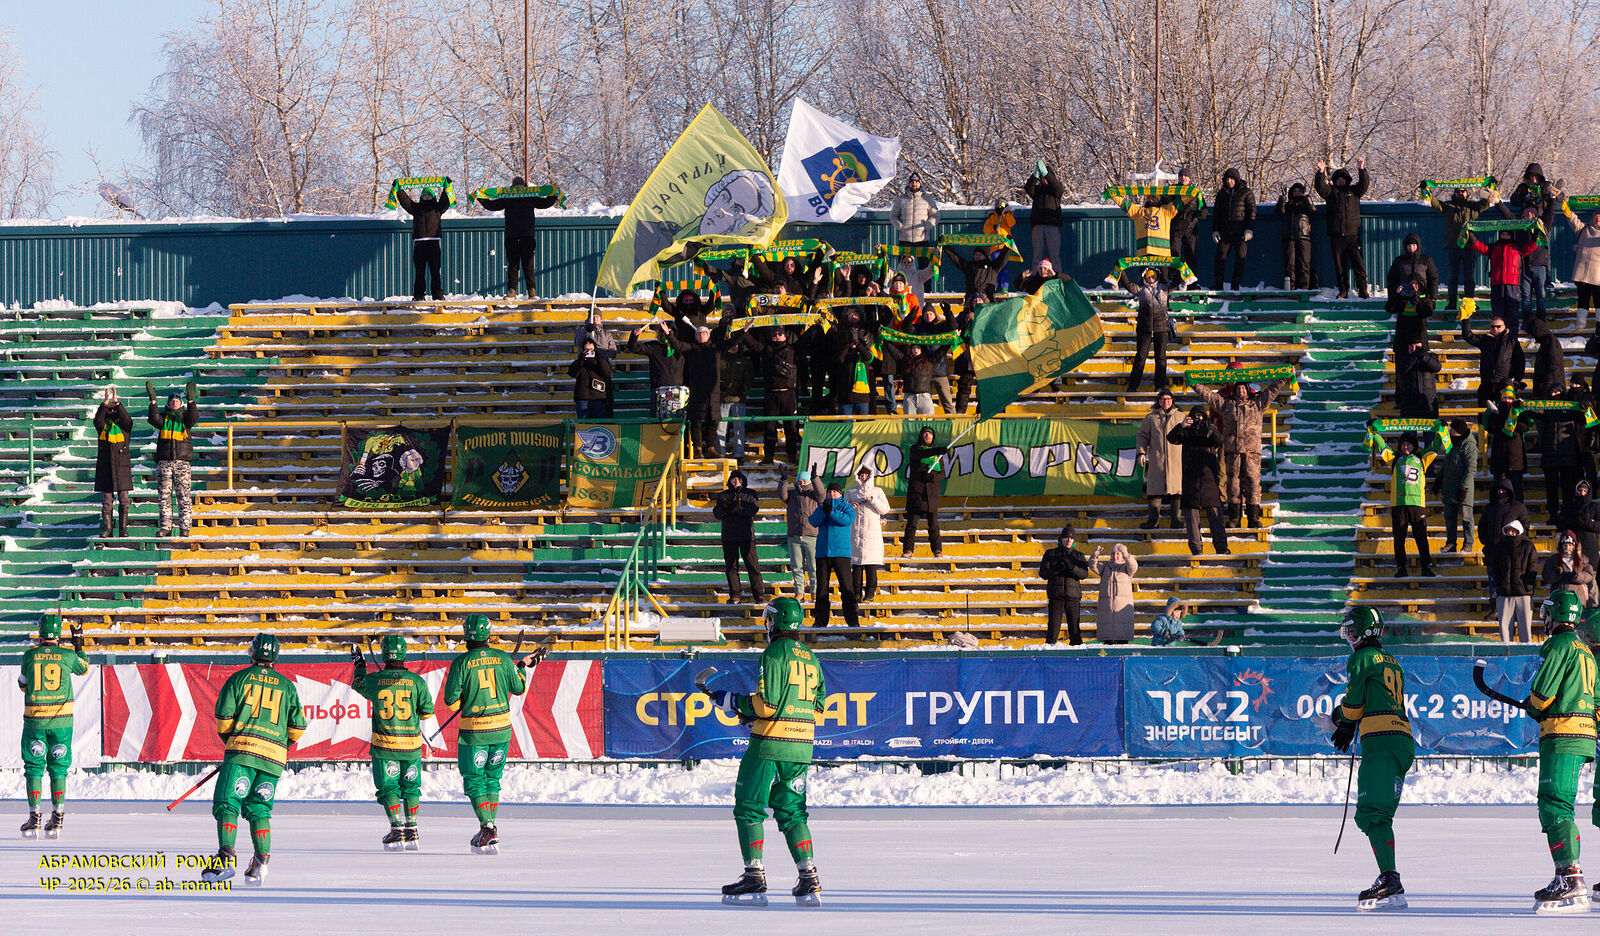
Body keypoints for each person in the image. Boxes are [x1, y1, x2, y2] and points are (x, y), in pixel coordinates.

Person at [710, 597, 826, 907]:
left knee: (749, 808)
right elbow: (817, 709)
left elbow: (768, 705)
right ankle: (809, 878)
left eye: (769, 619)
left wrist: (735, 702)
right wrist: (761, 716)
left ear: (775, 621)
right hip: (801, 748)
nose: (767, 624)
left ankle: (754, 876)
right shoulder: (811, 658)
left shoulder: (773, 653)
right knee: (793, 813)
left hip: (768, 747)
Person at [200, 632, 306, 886]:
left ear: (252, 652)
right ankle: (261, 863)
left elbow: (223, 719)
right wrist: (279, 746)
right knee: (259, 808)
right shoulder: (287, 686)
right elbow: (298, 728)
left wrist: (233, 743)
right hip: (274, 758)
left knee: (227, 803)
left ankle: (225, 860)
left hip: (242, 752)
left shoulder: (239, 678)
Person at [1329, 605, 1415, 911]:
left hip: (1380, 740)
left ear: (1364, 632)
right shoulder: (1391, 660)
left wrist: (1339, 719)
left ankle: (1390, 880)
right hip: (1400, 740)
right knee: (1379, 815)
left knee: (1371, 814)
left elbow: (1354, 705)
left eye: (1353, 631)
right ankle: (1390, 879)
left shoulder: (1362, 657)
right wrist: (1348, 723)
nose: (1349, 637)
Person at [1523, 590, 1597, 912]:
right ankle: (1568, 875)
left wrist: (1533, 705)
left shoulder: (1557, 645)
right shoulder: (1586, 651)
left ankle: (1570, 877)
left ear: (1554, 615)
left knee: (1555, 804)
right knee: (1562, 803)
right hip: (1584, 735)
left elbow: (1542, 694)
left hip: (1562, 734)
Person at [441, 614, 529, 855]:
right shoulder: (502, 658)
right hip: (501, 729)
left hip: (474, 732)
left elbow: (451, 702)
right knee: (492, 778)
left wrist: (464, 698)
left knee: (474, 779)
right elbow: (519, 688)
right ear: (488, 633)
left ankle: (488, 828)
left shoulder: (461, 663)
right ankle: (489, 828)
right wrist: (521, 667)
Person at [352, 635, 436, 851]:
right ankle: (412, 830)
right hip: (411, 746)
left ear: (383, 654)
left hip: (385, 746)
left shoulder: (376, 680)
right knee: (411, 787)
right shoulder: (417, 681)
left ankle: (397, 829)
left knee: (388, 787)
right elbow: (427, 712)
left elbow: (358, 684)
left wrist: (359, 665)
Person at [1193, 364, 1290, 528]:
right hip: (1233, 451)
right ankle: (1234, 518)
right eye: (1238, 388)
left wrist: (1286, 377)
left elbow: (1273, 390)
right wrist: (1193, 383)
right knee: (1233, 485)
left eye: (1243, 388)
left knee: (1253, 483)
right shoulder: (1226, 405)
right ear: (1234, 390)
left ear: (1247, 389)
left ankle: (1253, 518)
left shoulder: (1258, 403)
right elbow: (1208, 395)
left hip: (1252, 452)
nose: (1241, 391)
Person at [17, 614, 88, 840]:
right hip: (61, 722)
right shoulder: (67, 656)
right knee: (58, 768)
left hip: (35, 721)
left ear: (40, 631)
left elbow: (22, 685)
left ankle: (34, 818)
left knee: (34, 767)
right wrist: (78, 645)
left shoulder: (29, 656)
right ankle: (57, 818)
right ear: (58, 634)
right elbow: (84, 668)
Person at [1364, 429, 1443, 578]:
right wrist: (1374, 432)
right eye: (1402, 444)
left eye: (1408, 444)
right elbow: (1383, 447)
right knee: (1399, 538)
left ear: (1414, 446)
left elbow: (1434, 448)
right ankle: (1401, 567)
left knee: (1421, 537)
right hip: (1398, 504)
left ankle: (1426, 567)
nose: (1405, 447)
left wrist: (1441, 431)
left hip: (1417, 504)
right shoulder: (1395, 459)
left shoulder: (1421, 459)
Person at [475, 176, 560, 298]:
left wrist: (554, 194)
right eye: (517, 186)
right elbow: (492, 205)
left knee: (527, 265)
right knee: (514, 266)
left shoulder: (525, 196)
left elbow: (544, 203)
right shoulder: (513, 197)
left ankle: (530, 291)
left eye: (520, 186)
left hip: (523, 236)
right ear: (514, 187)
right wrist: (480, 196)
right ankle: (514, 291)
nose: (518, 188)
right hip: (515, 237)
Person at [1167, 405, 1229, 555]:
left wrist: (1210, 428)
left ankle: (1221, 548)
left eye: (1200, 417)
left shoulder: (1209, 432)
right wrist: (1181, 426)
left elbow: (1220, 440)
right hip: (1190, 481)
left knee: (1216, 518)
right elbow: (1171, 438)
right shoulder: (1186, 432)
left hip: (1209, 480)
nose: (1197, 419)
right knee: (1192, 520)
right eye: (1195, 416)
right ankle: (1196, 550)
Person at [1508, 164, 1559, 328]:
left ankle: (1547, 278)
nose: (1533, 179)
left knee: (1543, 250)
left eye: (1536, 176)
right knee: (1525, 293)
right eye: (1531, 176)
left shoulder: (1545, 186)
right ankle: (1528, 320)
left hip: (1541, 222)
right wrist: (1526, 196)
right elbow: (1513, 200)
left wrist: (1548, 195)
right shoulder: (1523, 187)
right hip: (1525, 226)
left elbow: (1555, 202)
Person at [146, 379, 198, 538]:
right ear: (168, 404)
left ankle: (185, 527)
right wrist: (153, 401)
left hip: (182, 462)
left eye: (177, 400)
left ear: (181, 403)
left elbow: (193, 417)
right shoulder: (163, 419)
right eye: (172, 401)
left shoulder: (185, 418)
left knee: (184, 496)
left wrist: (191, 400)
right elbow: (154, 418)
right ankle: (165, 527)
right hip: (164, 462)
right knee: (164, 497)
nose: (175, 403)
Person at [743, 324, 802, 464]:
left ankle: (792, 455)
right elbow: (752, 343)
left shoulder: (792, 350)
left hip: (788, 394)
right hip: (771, 394)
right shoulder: (766, 350)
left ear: (785, 336)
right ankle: (768, 456)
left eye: (780, 334)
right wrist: (744, 331)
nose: (777, 337)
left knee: (791, 428)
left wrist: (815, 324)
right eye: (774, 335)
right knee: (769, 427)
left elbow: (806, 339)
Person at [1313, 158, 1371, 298]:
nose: (1340, 181)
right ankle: (1343, 290)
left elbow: (1364, 184)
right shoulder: (1331, 193)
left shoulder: (1354, 191)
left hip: (1353, 236)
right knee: (1340, 267)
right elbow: (1320, 188)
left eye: (1343, 179)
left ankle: (1363, 290)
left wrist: (1361, 169)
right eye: (1338, 179)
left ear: (1347, 180)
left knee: (1358, 265)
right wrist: (1321, 172)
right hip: (1336, 237)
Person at [1430, 186, 1496, 309]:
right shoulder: (1448, 206)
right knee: (1452, 277)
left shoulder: (1473, 206)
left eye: (1463, 191)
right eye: (1458, 191)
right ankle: (1452, 303)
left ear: (1467, 193)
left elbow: (1488, 201)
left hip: (1470, 245)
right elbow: (1435, 204)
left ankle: (1469, 303)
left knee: (1469, 277)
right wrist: (1427, 190)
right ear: (1454, 193)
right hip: (1453, 246)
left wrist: (1491, 187)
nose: (1460, 193)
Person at [1465, 229, 1538, 338]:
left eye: (1507, 234)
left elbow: (1533, 245)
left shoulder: (1518, 247)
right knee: (1498, 315)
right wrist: (1470, 234)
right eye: (1503, 234)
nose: (1505, 235)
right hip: (1497, 285)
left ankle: (1512, 340)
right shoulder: (1493, 247)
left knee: (1513, 315)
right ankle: (1498, 339)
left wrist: (1538, 231)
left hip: (1513, 285)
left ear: (1511, 235)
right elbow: (1478, 246)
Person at [808, 483, 860, 629]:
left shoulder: (847, 507)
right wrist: (823, 511)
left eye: (835, 492)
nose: (832, 494)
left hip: (841, 553)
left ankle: (853, 621)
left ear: (840, 494)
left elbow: (847, 520)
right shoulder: (822, 507)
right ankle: (820, 621)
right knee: (821, 588)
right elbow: (813, 521)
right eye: (830, 492)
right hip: (822, 553)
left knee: (846, 587)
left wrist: (831, 512)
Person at [713, 470, 765, 604]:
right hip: (729, 536)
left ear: (743, 481)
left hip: (746, 536)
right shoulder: (723, 495)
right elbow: (717, 513)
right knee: (731, 567)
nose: (736, 481)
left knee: (752, 566)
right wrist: (726, 508)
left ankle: (759, 595)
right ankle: (735, 596)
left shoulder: (750, 493)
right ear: (729, 481)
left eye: (739, 479)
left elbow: (754, 509)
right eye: (733, 479)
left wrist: (739, 508)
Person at [1137, 388, 1185, 529]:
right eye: (1162, 399)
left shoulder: (1181, 416)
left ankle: (1176, 519)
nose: (1165, 402)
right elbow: (1142, 436)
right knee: (1154, 490)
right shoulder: (1151, 418)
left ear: (1172, 401)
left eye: (1168, 399)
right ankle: (1153, 521)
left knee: (1176, 490)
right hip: (1157, 460)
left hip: (1176, 460)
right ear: (1158, 401)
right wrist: (1141, 452)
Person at [1039, 525, 1093, 645]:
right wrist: (1056, 569)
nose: (1069, 540)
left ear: (1074, 541)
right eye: (1066, 538)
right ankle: (1049, 652)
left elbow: (1084, 574)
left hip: (1073, 597)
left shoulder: (1078, 556)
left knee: (1075, 631)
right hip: (1056, 596)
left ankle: (1077, 653)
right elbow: (1043, 573)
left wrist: (1072, 567)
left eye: (1071, 538)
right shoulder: (1050, 554)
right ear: (1061, 539)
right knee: (1053, 630)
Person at [396, 185, 451, 301]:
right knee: (419, 272)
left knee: (435, 271)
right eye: (425, 195)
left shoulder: (438, 208)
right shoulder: (416, 208)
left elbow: (445, 201)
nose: (427, 197)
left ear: (433, 197)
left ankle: (437, 295)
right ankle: (418, 295)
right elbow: (406, 202)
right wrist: (399, 189)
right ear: (421, 197)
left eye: (429, 195)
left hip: (433, 244)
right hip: (419, 245)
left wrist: (447, 187)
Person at [1386, 233, 1439, 349]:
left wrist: (1433, 298)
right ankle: (1401, 351)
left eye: (1414, 245)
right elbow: (1392, 280)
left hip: (1421, 301)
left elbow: (1433, 279)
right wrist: (1394, 296)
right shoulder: (1399, 261)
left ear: (1418, 246)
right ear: (1405, 246)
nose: (1411, 248)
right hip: (1403, 300)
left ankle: (1422, 350)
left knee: (1421, 329)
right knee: (1402, 330)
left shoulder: (1426, 260)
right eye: (1409, 245)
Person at [1488, 519, 1537, 642]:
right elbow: (1494, 568)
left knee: (1525, 627)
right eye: (1508, 530)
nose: (1510, 533)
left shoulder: (1528, 546)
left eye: (1513, 531)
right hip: (1505, 593)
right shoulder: (1499, 547)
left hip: (1523, 593)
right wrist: (1499, 585)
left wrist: (1527, 586)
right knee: (1504, 626)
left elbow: (1533, 566)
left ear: (1519, 531)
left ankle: (1526, 650)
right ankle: (1506, 650)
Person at [847, 465, 889, 607]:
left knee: (871, 568)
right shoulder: (851, 492)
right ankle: (856, 594)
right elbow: (843, 508)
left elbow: (885, 509)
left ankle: (870, 594)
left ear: (870, 476)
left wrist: (872, 499)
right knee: (856, 569)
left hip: (872, 536)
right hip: (856, 535)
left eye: (865, 475)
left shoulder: (877, 491)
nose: (863, 477)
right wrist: (850, 506)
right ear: (857, 476)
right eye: (861, 475)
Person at [93, 387, 133, 538]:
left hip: (122, 468)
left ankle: (123, 529)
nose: (111, 411)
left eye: (113, 409)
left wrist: (117, 402)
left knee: (124, 499)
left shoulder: (124, 427)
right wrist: (105, 403)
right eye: (108, 409)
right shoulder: (102, 427)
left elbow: (127, 419)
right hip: (106, 467)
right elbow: (97, 420)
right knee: (107, 500)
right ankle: (108, 530)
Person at [625, 323, 687, 420]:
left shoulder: (681, 348)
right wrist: (634, 335)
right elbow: (633, 347)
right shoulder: (654, 346)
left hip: (678, 390)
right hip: (658, 390)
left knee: (678, 421)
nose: (665, 334)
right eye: (663, 332)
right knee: (657, 420)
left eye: (669, 332)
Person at [902, 426, 947, 557]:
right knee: (912, 524)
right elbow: (920, 455)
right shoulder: (915, 449)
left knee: (933, 525)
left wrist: (932, 477)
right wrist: (938, 450)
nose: (927, 436)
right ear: (921, 436)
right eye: (925, 434)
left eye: (930, 434)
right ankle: (908, 550)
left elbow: (942, 474)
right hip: (917, 493)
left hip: (931, 494)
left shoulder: (938, 456)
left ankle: (937, 549)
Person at [1460, 314, 1522, 407]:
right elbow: (1468, 336)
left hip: (1504, 385)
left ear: (1505, 327)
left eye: (1498, 326)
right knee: (1484, 412)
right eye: (1492, 326)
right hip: (1487, 385)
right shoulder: (1485, 340)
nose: (1495, 329)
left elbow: (1520, 362)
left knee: (1504, 412)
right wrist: (1465, 320)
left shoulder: (1512, 342)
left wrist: (1517, 380)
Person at [778, 470, 823, 597]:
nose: (802, 483)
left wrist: (815, 478)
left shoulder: (814, 495)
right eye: (800, 481)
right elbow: (782, 495)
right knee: (797, 566)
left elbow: (822, 494)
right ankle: (799, 592)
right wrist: (783, 480)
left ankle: (815, 591)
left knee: (813, 566)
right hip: (794, 535)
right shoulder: (792, 495)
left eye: (804, 480)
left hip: (812, 535)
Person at [1211, 168, 1256, 291]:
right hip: (1224, 233)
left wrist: (1249, 229)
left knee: (1240, 259)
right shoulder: (1222, 193)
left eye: (1232, 179)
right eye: (1227, 179)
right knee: (1220, 258)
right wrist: (1215, 230)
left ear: (1237, 179)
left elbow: (1252, 212)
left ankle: (1235, 286)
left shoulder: (1246, 192)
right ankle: (1218, 285)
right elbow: (1216, 214)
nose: (1229, 181)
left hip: (1240, 233)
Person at [1126, 268, 1170, 392]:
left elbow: (1177, 281)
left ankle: (1160, 387)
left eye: (1153, 277)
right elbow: (1127, 284)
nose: (1151, 279)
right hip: (1144, 329)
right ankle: (1132, 386)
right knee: (1140, 357)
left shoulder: (1164, 288)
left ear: (1157, 277)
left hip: (1161, 328)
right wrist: (1121, 269)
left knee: (1161, 358)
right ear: (1144, 278)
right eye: (1148, 277)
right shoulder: (1141, 290)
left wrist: (1181, 265)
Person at [682, 326, 723, 457]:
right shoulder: (691, 349)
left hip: (713, 392)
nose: (701, 335)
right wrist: (668, 333)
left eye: (703, 333)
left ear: (708, 335)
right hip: (697, 392)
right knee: (696, 421)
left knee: (712, 421)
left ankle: (711, 448)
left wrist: (744, 330)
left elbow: (731, 342)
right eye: (698, 333)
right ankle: (697, 449)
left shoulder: (715, 348)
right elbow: (677, 345)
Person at [1439, 418, 1477, 554]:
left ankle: (1468, 544)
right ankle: (1451, 543)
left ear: (1459, 432)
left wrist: (1464, 488)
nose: (1450, 432)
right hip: (1449, 487)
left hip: (1463, 489)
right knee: (1449, 517)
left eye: (1453, 430)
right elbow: (1447, 464)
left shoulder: (1469, 446)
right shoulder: (1452, 445)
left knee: (1466, 517)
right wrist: (1439, 479)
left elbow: (1470, 470)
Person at [1561, 198, 1600, 329]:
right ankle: (1580, 323)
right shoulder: (1583, 229)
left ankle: (1599, 325)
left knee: (1599, 300)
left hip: (1598, 275)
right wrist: (1565, 204)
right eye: (1595, 216)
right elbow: (1572, 219)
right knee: (1582, 298)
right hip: (1582, 273)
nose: (1597, 219)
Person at [1485, 387, 1529, 501]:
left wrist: (1515, 415)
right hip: (1499, 457)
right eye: (1505, 398)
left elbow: (1524, 426)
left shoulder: (1519, 412)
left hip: (1516, 459)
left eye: (1510, 398)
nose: (1507, 401)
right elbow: (1490, 427)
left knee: (1517, 490)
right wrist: (1500, 416)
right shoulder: (1496, 412)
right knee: (1500, 490)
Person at [1093, 543, 1138, 643]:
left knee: (1122, 641)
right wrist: (1095, 555)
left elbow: (1134, 566)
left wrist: (1126, 554)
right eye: (1113, 554)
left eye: (1118, 554)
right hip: (1107, 609)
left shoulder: (1127, 568)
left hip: (1122, 610)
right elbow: (1093, 566)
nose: (1115, 556)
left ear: (1122, 555)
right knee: (1108, 642)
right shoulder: (1105, 567)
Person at [889, 172, 938, 264]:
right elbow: (893, 215)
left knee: (925, 268)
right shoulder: (901, 199)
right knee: (904, 267)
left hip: (922, 240)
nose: (914, 184)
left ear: (920, 184)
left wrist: (926, 226)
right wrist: (900, 227)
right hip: (905, 240)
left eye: (916, 182)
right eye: (912, 182)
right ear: (909, 184)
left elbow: (935, 215)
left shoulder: (927, 199)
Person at [1023, 161, 1065, 269]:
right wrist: (1035, 176)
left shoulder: (1056, 190)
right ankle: (1035, 276)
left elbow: (1057, 187)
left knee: (1055, 256)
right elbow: (1028, 188)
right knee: (1036, 256)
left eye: (1046, 177)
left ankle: (1057, 277)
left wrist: (1046, 174)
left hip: (1052, 225)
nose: (1044, 179)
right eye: (1042, 177)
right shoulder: (1037, 190)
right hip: (1038, 226)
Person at [1277, 182, 1317, 290]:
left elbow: (1313, 210)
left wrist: (1307, 197)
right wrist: (1282, 198)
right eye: (1295, 191)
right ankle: (1291, 287)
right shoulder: (1288, 205)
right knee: (1290, 264)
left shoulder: (1305, 205)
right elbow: (1279, 211)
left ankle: (1304, 288)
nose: (1297, 193)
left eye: (1299, 191)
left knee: (1304, 264)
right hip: (1289, 237)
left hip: (1304, 237)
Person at [1169, 168, 1206, 278]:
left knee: (1191, 256)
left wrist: (1203, 212)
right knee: (1175, 255)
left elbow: (1202, 207)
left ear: (1190, 178)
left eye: (1186, 176)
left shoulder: (1195, 191)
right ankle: (1175, 280)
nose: (1183, 178)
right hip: (1175, 228)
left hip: (1190, 228)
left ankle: (1191, 281)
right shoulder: (1172, 190)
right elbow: (1162, 202)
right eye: (1181, 176)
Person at [1543, 532, 1596, 608]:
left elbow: (1589, 574)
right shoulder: (1554, 559)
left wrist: (1578, 576)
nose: (1567, 547)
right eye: (1565, 545)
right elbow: (1546, 576)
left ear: (1574, 546)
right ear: (1561, 546)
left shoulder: (1582, 559)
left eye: (1570, 545)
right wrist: (1556, 573)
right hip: (1559, 599)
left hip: (1577, 599)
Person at [1393, 339, 1440, 420]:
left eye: (1417, 346)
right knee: (1410, 427)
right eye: (1411, 346)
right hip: (1409, 403)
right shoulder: (1403, 358)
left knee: (1429, 427)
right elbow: (1402, 370)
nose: (1414, 349)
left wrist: (1423, 356)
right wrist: (1413, 357)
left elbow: (1436, 367)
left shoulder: (1430, 356)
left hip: (1428, 401)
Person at [569, 340, 614, 418]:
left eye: (591, 349)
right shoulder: (579, 362)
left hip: (599, 397)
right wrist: (580, 360)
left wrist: (598, 357)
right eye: (586, 350)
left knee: (600, 422)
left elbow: (607, 373)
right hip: (583, 397)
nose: (589, 352)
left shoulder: (600, 361)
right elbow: (572, 373)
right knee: (584, 423)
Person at [982, 198, 1018, 291]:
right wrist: (993, 228)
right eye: (998, 206)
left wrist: (1007, 213)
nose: (999, 208)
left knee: (1004, 267)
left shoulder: (1007, 216)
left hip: (1005, 246)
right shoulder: (991, 217)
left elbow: (1012, 223)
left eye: (1001, 206)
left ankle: (1004, 287)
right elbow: (985, 230)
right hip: (994, 247)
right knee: (994, 267)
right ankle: (994, 286)